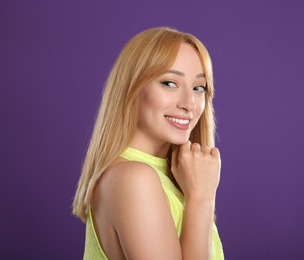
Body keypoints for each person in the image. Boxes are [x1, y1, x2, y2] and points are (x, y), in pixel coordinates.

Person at [73, 27, 224, 259]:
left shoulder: (168, 175)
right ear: (131, 88)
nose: (190, 103)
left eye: (198, 88)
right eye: (170, 83)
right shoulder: (133, 178)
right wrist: (202, 198)